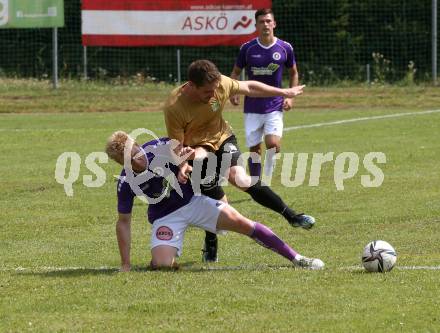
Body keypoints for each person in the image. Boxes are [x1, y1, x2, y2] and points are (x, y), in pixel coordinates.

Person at [105, 130, 324, 271]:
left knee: (242, 222)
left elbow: (183, 154)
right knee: (162, 265)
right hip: (165, 217)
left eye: (137, 152)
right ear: (120, 163)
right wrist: (125, 264)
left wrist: (184, 166)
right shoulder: (126, 182)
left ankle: (297, 258)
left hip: (195, 202)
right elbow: (123, 222)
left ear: (138, 145)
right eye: (130, 160)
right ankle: (161, 255)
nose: (138, 159)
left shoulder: (159, 146)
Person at [163, 59, 314, 263]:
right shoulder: (174, 106)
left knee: (241, 178)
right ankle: (211, 239)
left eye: (215, 89)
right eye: (207, 92)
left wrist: (284, 92)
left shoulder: (220, 83)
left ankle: (292, 216)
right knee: (221, 204)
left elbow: (249, 86)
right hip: (198, 151)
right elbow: (177, 145)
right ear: (191, 85)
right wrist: (182, 165)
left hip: (223, 138)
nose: (213, 95)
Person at [230, 8, 299, 179]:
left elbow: (294, 73)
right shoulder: (247, 48)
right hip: (252, 106)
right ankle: (256, 184)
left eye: (268, 21)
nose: (265, 25)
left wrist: (289, 97)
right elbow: (235, 73)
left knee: (273, 144)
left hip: (275, 104)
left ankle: (266, 179)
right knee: (254, 148)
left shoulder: (285, 48)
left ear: (274, 24)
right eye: (262, 22)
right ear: (256, 25)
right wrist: (234, 91)